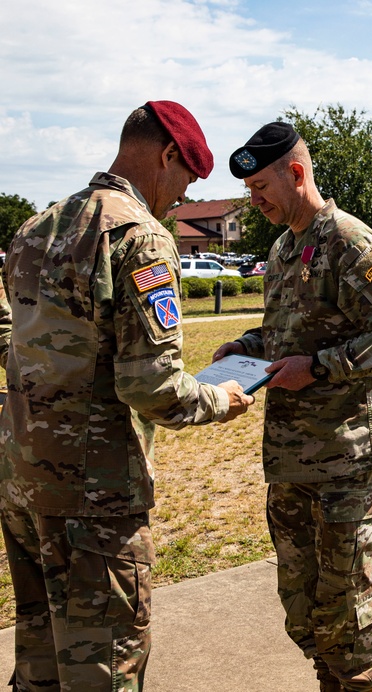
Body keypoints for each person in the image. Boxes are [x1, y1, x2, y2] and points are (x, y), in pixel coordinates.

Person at [0, 101, 254, 691]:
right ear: (167, 155)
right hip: (96, 496)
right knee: (104, 664)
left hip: (22, 478)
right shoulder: (139, 238)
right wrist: (224, 400)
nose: (183, 196)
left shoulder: (37, 227)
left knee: (40, 655)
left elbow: (11, 337)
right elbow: (153, 387)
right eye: (187, 178)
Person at [213, 122, 372, 692]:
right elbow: (288, 334)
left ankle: (356, 684)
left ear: (296, 173)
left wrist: (322, 367)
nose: (253, 201)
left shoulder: (350, 242)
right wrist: (247, 347)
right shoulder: (283, 249)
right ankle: (331, 677)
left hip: (346, 454)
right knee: (300, 600)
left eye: (259, 188)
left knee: (342, 594)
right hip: (290, 456)